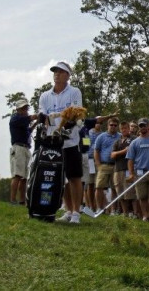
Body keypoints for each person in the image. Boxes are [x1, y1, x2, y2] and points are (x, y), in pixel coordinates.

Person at [38, 61, 83, 224]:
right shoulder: (45, 96)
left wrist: (68, 124)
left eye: (60, 71)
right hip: (52, 142)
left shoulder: (74, 92)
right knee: (59, 177)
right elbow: (43, 116)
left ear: (67, 75)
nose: (57, 74)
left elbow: (77, 113)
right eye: (55, 71)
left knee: (74, 177)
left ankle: (77, 213)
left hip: (70, 141)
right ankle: (68, 210)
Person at [9, 98, 36, 206]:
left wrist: (35, 123)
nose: (25, 110)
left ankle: (22, 201)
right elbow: (29, 118)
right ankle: (12, 200)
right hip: (18, 148)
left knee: (25, 176)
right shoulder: (15, 119)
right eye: (23, 108)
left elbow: (28, 131)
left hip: (26, 148)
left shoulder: (23, 121)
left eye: (26, 108)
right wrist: (36, 116)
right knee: (17, 175)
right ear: (18, 109)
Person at [93, 117, 120, 214]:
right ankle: (99, 208)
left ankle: (113, 210)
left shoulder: (120, 136)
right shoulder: (101, 136)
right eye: (111, 125)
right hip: (103, 165)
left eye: (115, 125)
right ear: (107, 125)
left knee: (114, 188)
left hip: (116, 166)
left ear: (117, 127)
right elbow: (96, 150)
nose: (113, 127)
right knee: (99, 187)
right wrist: (98, 164)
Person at [111, 121, 135, 217]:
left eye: (125, 128)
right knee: (120, 191)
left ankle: (135, 213)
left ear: (129, 128)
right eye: (122, 128)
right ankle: (125, 213)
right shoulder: (117, 141)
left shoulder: (133, 139)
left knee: (130, 192)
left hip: (128, 168)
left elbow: (131, 151)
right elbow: (112, 155)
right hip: (118, 169)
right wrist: (124, 151)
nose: (124, 130)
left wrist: (118, 153)